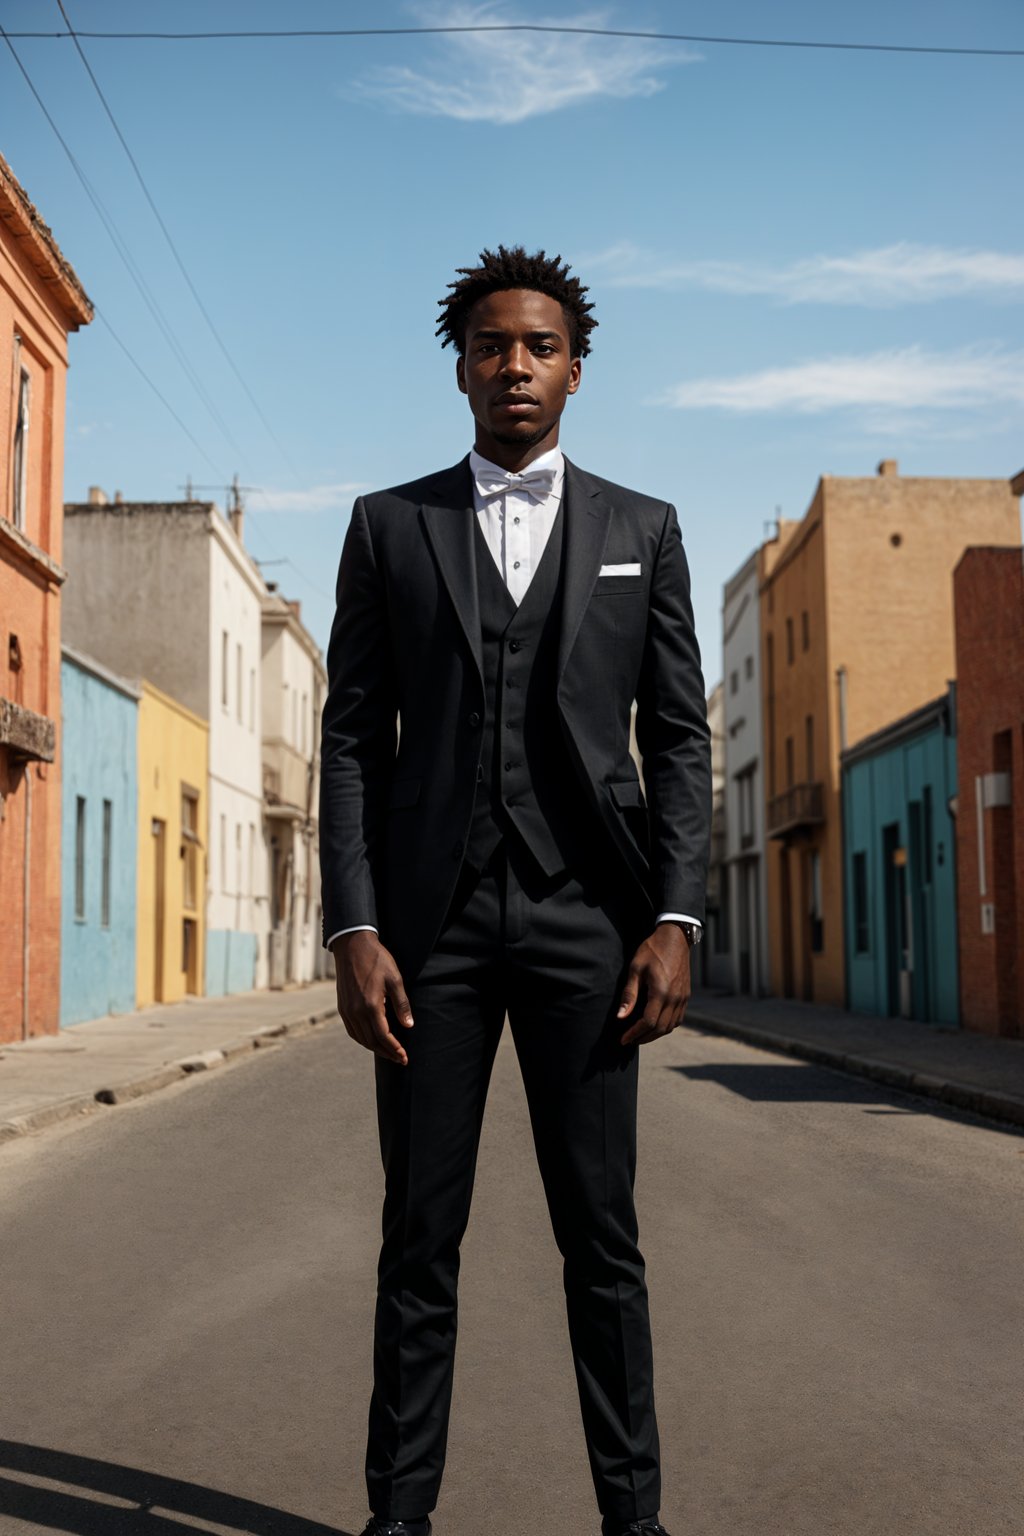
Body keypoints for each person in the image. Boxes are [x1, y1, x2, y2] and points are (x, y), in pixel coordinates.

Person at [320, 245, 711, 1536]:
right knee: (418, 1242)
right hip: (427, 934)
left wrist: (674, 914)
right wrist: (356, 922)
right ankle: (399, 1518)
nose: (517, 365)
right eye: (494, 346)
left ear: (577, 369)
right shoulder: (390, 526)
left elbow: (681, 739)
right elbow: (351, 733)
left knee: (602, 1244)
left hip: (587, 927)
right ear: (461, 369)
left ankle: (634, 1520)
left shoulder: (642, 530)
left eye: (539, 346)